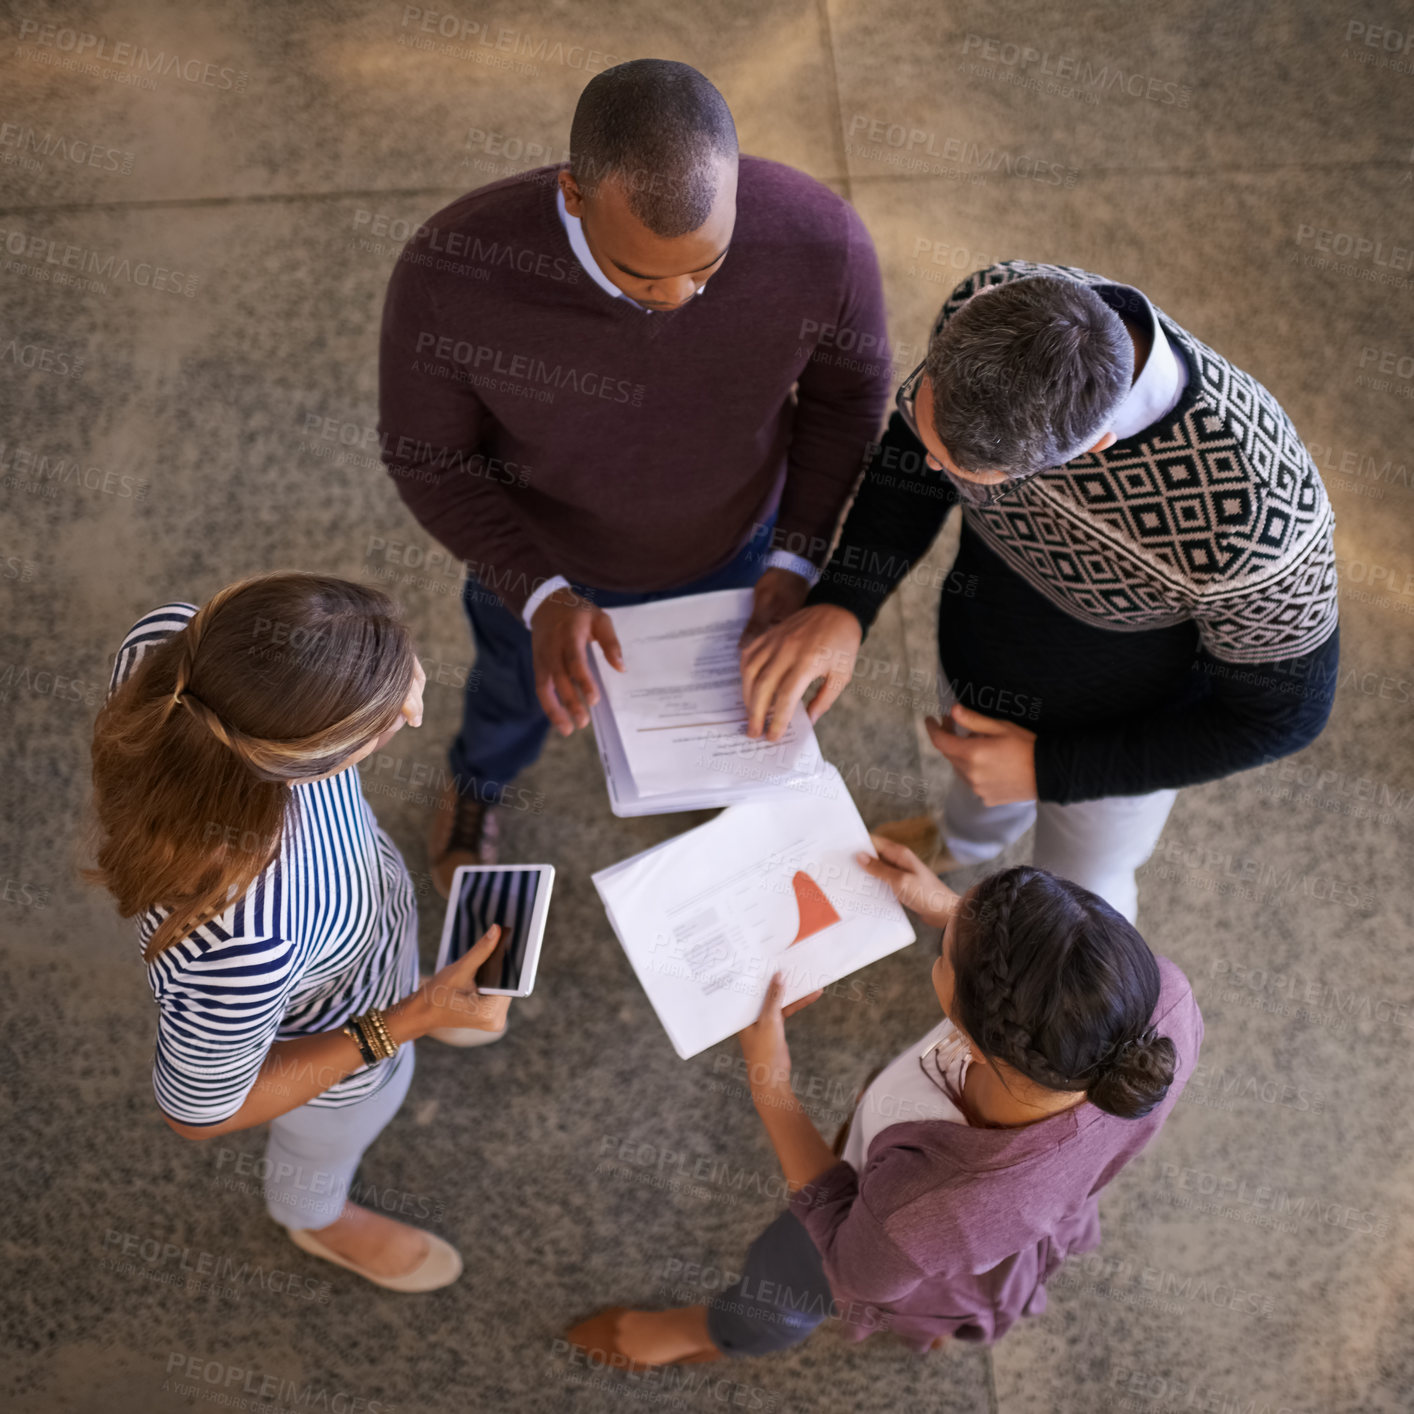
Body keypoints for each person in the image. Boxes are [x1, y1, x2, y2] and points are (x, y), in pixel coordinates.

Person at [378, 58, 890, 895]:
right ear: (574, 195)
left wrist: (797, 558)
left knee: (728, 714)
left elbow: (847, 403)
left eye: (709, 264)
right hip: (542, 562)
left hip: (739, 545)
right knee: (510, 697)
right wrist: (539, 596)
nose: (681, 297)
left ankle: (713, 795)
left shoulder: (820, 238)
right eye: (641, 276)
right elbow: (428, 456)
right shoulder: (452, 271)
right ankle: (476, 787)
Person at [740, 262, 1339, 922]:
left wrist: (1051, 770)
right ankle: (963, 840)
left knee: (1082, 894)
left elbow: (1284, 715)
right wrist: (846, 600)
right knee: (973, 801)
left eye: (965, 473)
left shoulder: (1257, 516)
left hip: (1119, 741)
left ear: (1094, 447)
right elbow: (913, 460)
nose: (933, 464)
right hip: (978, 659)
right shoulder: (989, 301)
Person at [566, 838, 1203, 1363]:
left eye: (947, 951)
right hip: (989, 1214)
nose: (946, 930)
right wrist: (964, 918)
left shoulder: (930, 1207)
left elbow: (849, 1266)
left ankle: (700, 1335)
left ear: (977, 1041)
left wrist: (773, 1088)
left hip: (888, 1242)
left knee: (783, 1279)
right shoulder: (1163, 1003)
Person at [87, 574, 510, 1291]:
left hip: (357, 956)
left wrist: (363, 669)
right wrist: (407, 1020)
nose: (409, 712)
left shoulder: (177, 646)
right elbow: (198, 1114)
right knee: (326, 1145)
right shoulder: (248, 941)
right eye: (387, 715)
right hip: (338, 1058)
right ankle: (315, 1217)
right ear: (312, 760)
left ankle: (434, 1003)